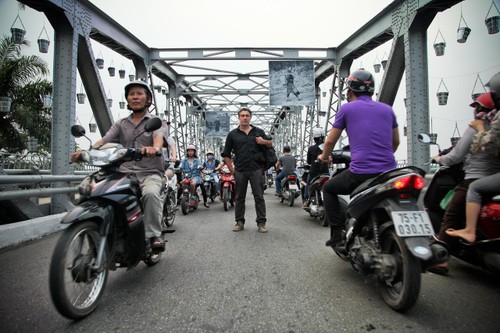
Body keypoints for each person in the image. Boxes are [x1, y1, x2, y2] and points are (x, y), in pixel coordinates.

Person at [70, 80, 167, 251]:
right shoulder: (121, 123)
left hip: (149, 172)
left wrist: (154, 148)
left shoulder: (156, 121)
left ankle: (153, 235)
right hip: (123, 172)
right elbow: (104, 141)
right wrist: (86, 151)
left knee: (151, 194)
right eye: (132, 94)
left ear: (148, 99)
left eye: (139, 93)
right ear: (127, 99)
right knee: (90, 188)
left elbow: (158, 138)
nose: (135, 97)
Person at [317, 70, 400, 248]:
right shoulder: (387, 109)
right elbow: (395, 142)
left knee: (329, 188)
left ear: (349, 91)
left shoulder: (346, 108)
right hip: (389, 172)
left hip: (362, 172)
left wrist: (324, 157)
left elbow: (330, 140)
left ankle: (337, 234)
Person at [430, 91, 500, 275]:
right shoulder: (495, 127)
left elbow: (456, 155)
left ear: (480, 108)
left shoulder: (478, 127)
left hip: (474, 178)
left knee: (451, 216)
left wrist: (439, 159)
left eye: (477, 106)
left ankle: (440, 261)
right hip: (495, 179)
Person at [445, 73, 500, 244]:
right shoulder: (493, 119)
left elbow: (489, 143)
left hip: (475, 176)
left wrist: (480, 128)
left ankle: (468, 231)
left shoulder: (480, 125)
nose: (478, 112)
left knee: (473, 189)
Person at [222, 107, 273, 233]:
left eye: (247, 115)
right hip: (240, 170)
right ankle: (239, 222)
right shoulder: (232, 135)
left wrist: (263, 141)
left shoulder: (258, 131)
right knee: (239, 197)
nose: (245, 118)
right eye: (242, 115)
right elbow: (226, 154)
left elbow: (270, 143)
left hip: (256, 169)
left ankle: (261, 223)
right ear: (238, 118)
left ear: (250, 117)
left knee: (259, 197)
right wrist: (231, 169)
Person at [302, 127, 330, 208]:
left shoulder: (311, 148)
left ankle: (307, 200)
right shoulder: (327, 148)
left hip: (314, 172)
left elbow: (308, 161)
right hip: (325, 172)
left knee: (308, 184)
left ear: (314, 138)